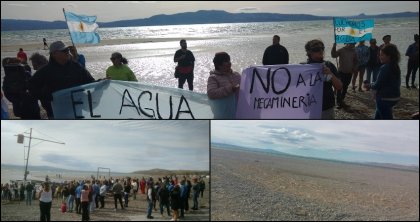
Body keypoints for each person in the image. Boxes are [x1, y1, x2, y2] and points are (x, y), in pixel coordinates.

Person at [28, 41, 95, 118]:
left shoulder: (76, 67)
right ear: (53, 54)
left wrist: (102, 82)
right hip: (55, 111)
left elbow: (90, 81)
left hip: (77, 108)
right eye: (64, 51)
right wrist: (47, 97)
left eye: (67, 50)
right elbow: (31, 87)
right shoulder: (45, 71)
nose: (67, 52)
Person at [304, 39, 342, 119]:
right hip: (311, 107)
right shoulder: (304, 69)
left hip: (327, 107)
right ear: (309, 52)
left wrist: (330, 74)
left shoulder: (329, 65)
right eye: (317, 49)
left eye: (322, 48)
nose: (321, 50)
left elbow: (339, 87)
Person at [364, 44, 401, 119]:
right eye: (379, 55)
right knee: (377, 117)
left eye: (382, 55)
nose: (379, 56)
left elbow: (377, 85)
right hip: (395, 97)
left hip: (384, 99)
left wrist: (369, 85)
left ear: (389, 56)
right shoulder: (395, 66)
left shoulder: (385, 67)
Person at [207, 52, 241, 119]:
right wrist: (230, 89)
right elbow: (211, 93)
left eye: (229, 61)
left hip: (238, 112)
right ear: (219, 65)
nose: (229, 63)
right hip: (222, 115)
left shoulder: (236, 75)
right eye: (226, 61)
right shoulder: (213, 78)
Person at [331, 43, 358, 109]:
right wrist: (334, 47)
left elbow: (356, 61)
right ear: (348, 43)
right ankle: (338, 102)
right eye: (352, 44)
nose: (353, 45)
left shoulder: (354, 51)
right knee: (339, 88)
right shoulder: (341, 50)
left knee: (345, 87)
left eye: (354, 44)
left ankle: (342, 100)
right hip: (341, 72)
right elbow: (333, 55)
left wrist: (354, 68)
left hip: (349, 72)